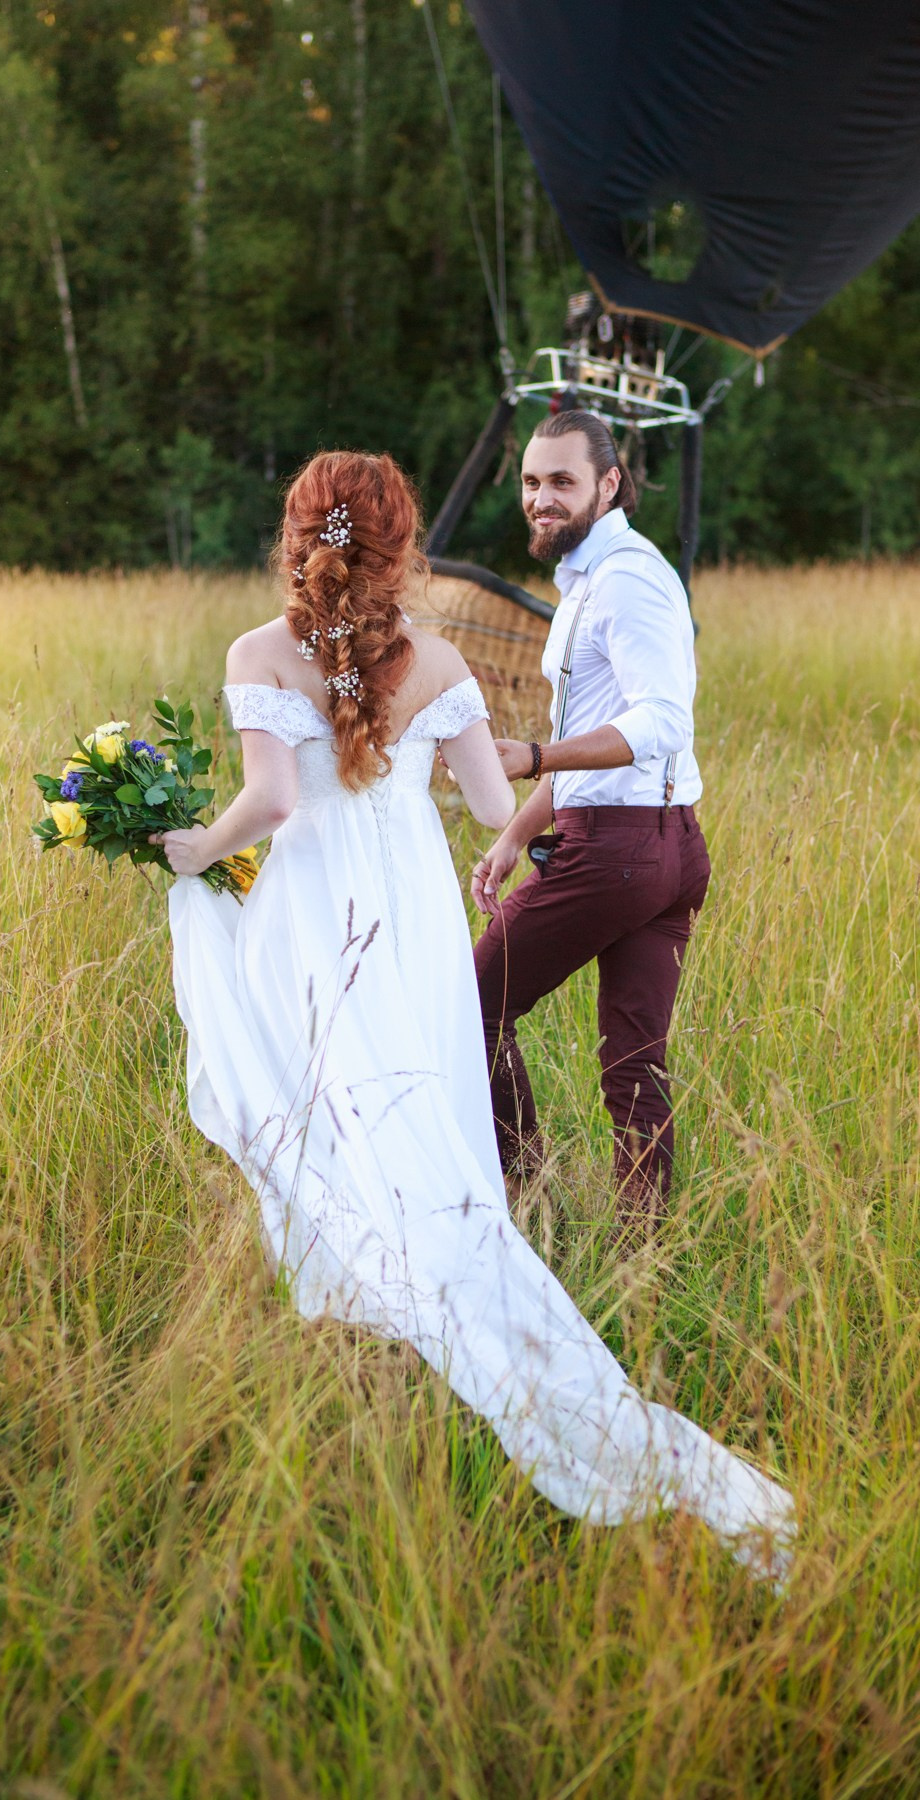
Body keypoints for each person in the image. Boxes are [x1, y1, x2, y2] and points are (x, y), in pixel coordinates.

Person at [154, 449, 791, 1573]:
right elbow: (499, 809)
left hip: (314, 920)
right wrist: (604, 842)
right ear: (404, 546)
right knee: (425, 1119)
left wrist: (191, 849)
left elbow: (270, 799)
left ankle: (380, 1307)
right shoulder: (442, 660)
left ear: (298, 533)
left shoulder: (258, 653)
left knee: (331, 1108)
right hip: (412, 935)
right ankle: (453, 1278)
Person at [472, 410, 707, 1237]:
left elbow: (660, 723)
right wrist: (511, 835)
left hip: (621, 852)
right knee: (635, 1059)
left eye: (561, 482)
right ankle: (645, 1252)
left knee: (470, 1009)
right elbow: (599, 729)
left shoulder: (629, 580)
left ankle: (529, 1205)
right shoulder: (585, 581)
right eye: (532, 483)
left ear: (609, 484)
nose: (541, 498)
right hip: (666, 844)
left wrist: (533, 754)